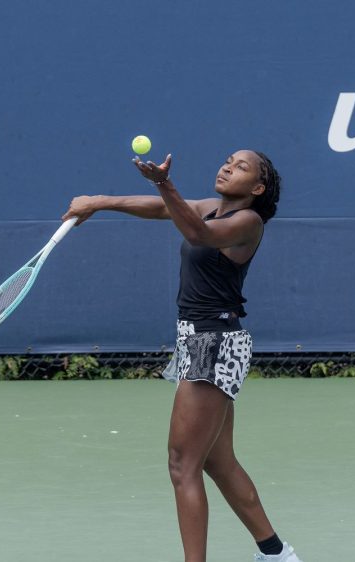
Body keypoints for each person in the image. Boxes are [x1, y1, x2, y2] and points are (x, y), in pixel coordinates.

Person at [62, 150, 301, 562]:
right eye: (228, 160)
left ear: (257, 189)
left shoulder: (248, 222)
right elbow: (164, 211)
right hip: (199, 340)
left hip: (213, 343)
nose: (228, 167)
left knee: (181, 464)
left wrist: (163, 182)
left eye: (241, 167)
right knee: (217, 462)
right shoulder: (211, 208)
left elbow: (197, 234)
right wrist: (99, 202)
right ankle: (277, 554)